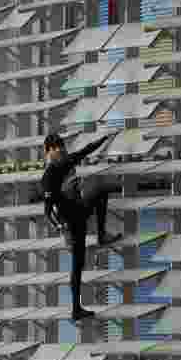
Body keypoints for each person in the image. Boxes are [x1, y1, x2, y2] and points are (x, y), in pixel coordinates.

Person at [39, 132, 121, 322]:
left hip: (78, 212)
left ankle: (101, 235)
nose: (60, 150)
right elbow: (47, 211)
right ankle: (76, 309)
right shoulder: (48, 177)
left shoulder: (65, 162)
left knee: (100, 190)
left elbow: (85, 150)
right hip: (71, 222)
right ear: (48, 151)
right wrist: (58, 225)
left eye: (61, 146)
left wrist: (103, 139)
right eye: (56, 148)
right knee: (78, 265)